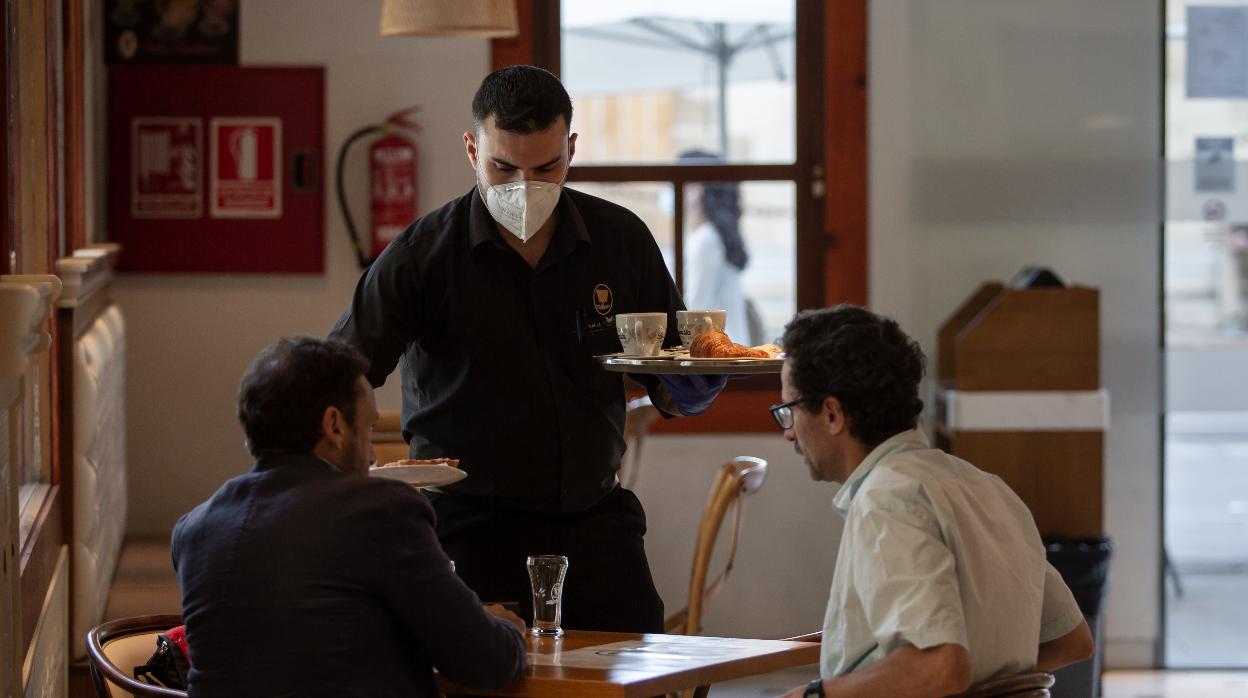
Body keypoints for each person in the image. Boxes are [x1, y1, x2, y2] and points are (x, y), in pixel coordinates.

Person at [329, 65, 726, 634]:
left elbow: (668, 371)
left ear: (571, 149)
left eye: (545, 168)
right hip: (466, 526)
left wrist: (692, 385)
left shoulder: (620, 240)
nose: (524, 186)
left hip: (595, 520)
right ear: (472, 149)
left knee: (640, 674)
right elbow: (338, 372)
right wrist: (349, 474)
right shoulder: (422, 256)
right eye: (503, 166)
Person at [171, 337, 526, 698]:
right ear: (334, 425)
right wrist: (503, 628)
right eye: (369, 429)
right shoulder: (380, 510)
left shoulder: (193, 530)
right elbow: (487, 661)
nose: (372, 453)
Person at [772, 306, 1095, 698]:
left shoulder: (887, 499)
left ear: (832, 413)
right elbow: (1071, 639)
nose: (789, 434)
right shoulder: (987, 487)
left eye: (788, 411)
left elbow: (939, 666)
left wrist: (815, 695)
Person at [676, 150, 753, 343]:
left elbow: (693, 311)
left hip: (717, 353)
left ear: (696, 190)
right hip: (729, 348)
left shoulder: (705, 240)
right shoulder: (712, 236)